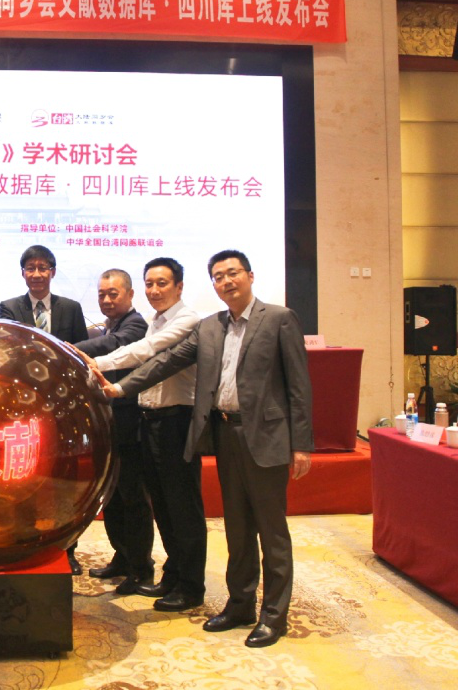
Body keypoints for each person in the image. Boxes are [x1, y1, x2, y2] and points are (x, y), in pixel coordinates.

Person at [104, 250, 313, 648]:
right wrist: (120, 387)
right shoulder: (210, 327)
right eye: (218, 276)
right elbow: (165, 362)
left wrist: (301, 444)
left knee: (271, 531)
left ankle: (274, 616)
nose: (226, 281)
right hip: (225, 434)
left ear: (250, 275)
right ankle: (240, 605)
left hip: (266, 437)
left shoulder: (279, 319)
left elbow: (299, 386)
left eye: (232, 273)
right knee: (237, 528)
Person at [80, 257, 205, 608]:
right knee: (163, 506)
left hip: (178, 421)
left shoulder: (187, 320)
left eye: (161, 283)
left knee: (183, 508)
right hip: (152, 422)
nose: (154, 290)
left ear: (179, 286)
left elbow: (145, 352)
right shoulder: (155, 321)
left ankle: (191, 587)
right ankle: (174, 576)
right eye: (150, 283)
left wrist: (96, 362)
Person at [0, 244, 90, 573]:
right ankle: (24, 539)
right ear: (23, 273)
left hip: (63, 407)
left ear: (53, 271)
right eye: (30, 268)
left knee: (64, 480)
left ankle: (67, 548)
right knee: (23, 476)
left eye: (43, 268)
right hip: (23, 407)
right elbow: (12, 351)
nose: (37, 274)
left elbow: (81, 353)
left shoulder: (71, 308)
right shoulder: (9, 307)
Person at [72, 269, 152, 595]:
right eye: (102, 294)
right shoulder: (110, 324)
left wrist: (67, 346)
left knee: (133, 498)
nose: (106, 299)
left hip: (131, 426)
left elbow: (113, 345)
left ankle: (141, 568)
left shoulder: (136, 326)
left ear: (130, 295)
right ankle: (122, 557)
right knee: (113, 498)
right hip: (111, 427)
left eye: (113, 293)